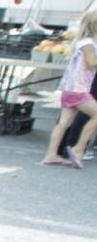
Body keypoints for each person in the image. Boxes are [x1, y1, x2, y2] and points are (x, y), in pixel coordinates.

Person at [43, 10, 97, 169]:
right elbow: (91, 64)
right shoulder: (88, 44)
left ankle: (51, 154)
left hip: (70, 88)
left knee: (64, 123)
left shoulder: (82, 42)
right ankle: (79, 148)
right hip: (79, 89)